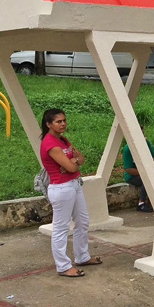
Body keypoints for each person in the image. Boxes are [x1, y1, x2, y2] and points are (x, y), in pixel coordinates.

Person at [39, 108, 101, 278]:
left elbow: (80, 160)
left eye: (64, 120)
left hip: (73, 184)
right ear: (48, 124)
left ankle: (82, 257)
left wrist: (72, 161)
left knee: (83, 221)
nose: (63, 123)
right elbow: (73, 166)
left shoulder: (63, 140)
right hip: (61, 188)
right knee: (61, 227)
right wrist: (72, 162)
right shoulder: (50, 143)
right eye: (58, 121)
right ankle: (63, 266)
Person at [123, 125, 154, 212]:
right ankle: (141, 203)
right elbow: (128, 169)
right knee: (147, 179)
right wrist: (145, 172)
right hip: (132, 175)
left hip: (147, 171)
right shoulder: (127, 149)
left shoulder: (146, 143)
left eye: (142, 134)